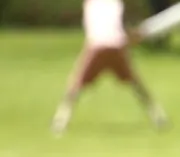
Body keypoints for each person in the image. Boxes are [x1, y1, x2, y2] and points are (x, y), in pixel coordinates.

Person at [52, 0, 167, 135]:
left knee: (75, 84)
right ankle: (157, 115)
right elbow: (123, 31)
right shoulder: (115, 4)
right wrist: (135, 35)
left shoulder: (91, 4)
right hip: (115, 47)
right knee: (135, 83)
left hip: (97, 47)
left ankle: (61, 120)